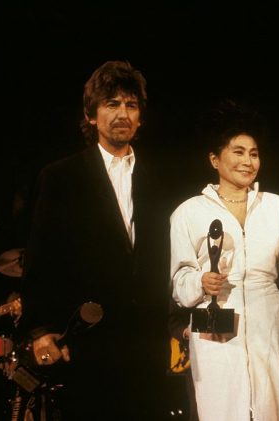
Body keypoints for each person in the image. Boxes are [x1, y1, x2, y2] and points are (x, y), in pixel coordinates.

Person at [20, 61, 169, 420]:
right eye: (111, 104)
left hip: (148, 342)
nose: (122, 113)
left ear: (141, 117)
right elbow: (41, 259)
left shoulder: (162, 178)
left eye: (131, 105)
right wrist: (41, 329)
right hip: (89, 341)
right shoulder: (61, 177)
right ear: (91, 115)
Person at [170, 102, 279, 421]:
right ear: (214, 159)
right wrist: (199, 282)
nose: (248, 161)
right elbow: (179, 283)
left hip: (269, 319)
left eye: (254, 153)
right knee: (220, 410)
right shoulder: (188, 212)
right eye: (238, 152)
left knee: (272, 411)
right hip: (214, 322)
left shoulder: (278, 207)